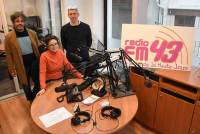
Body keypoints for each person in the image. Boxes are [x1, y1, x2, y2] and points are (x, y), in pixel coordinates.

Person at [4, 11, 40, 101]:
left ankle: (36, 98)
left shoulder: (32, 33)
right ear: (13, 23)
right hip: (21, 65)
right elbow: (8, 54)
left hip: (35, 63)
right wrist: (11, 69)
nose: (20, 23)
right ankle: (30, 99)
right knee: (25, 84)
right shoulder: (9, 37)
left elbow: (38, 46)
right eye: (17, 21)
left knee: (38, 82)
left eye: (22, 21)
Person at [61, 6, 92, 72]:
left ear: (78, 14)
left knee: (83, 79)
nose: (73, 16)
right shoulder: (64, 28)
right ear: (68, 15)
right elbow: (64, 44)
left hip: (84, 59)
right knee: (71, 80)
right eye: (70, 14)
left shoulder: (86, 27)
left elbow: (89, 41)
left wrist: (83, 50)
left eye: (74, 13)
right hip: (70, 60)